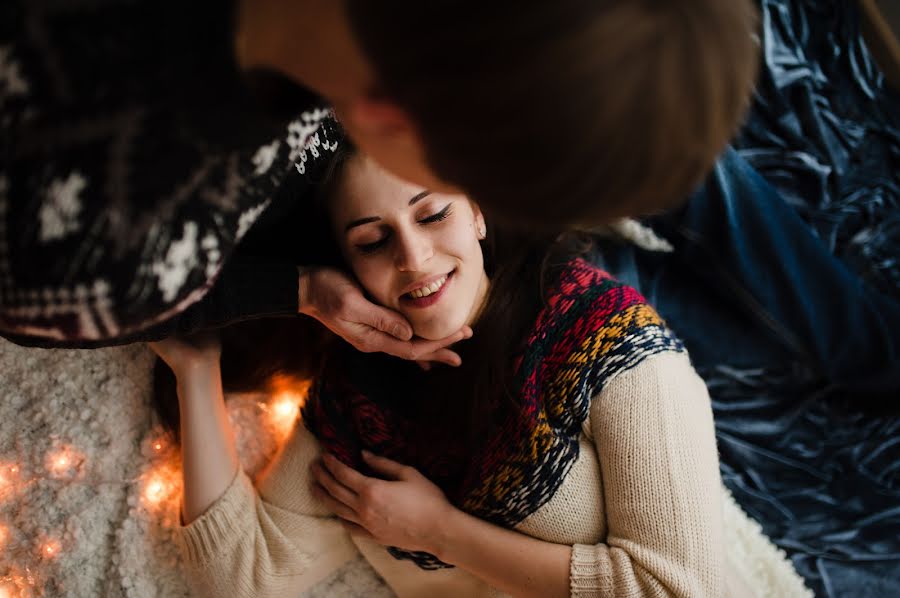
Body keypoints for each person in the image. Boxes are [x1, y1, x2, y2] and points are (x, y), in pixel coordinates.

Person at [151, 142, 811, 597]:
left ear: (475, 208)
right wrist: (195, 368)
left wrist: (438, 531)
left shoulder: (614, 343)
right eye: (373, 240)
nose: (413, 257)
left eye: (432, 212)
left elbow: (678, 588)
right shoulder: (357, 396)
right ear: (346, 267)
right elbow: (246, 575)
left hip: (556, 282)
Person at [1, 0, 760, 362]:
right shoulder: (107, 262)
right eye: (440, 195)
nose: (414, 255)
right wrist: (290, 290)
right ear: (390, 116)